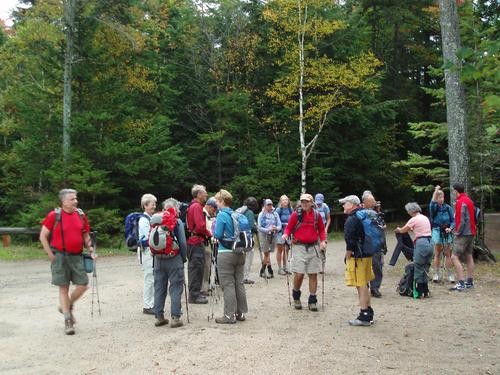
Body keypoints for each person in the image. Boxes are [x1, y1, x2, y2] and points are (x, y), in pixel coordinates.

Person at [39, 189, 96, 335]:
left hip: (77, 256)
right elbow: (43, 236)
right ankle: (67, 320)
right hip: (60, 256)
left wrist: (91, 249)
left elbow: (85, 235)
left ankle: (66, 306)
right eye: (72, 199)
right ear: (63, 201)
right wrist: (50, 254)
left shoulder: (81, 215)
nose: (75, 201)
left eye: (76, 198)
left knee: (83, 285)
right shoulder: (54, 215)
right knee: (63, 288)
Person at [282, 193, 326, 311]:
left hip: (313, 247)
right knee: (299, 274)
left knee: (313, 274)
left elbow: (321, 230)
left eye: (307, 201)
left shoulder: (317, 215)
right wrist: (285, 234)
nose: (304, 204)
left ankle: (312, 300)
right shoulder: (296, 214)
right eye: (302, 201)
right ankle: (296, 296)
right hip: (299, 246)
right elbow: (289, 228)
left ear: (312, 203)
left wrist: (323, 241)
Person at [213, 189, 249, 324]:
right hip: (240, 252)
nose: (216, 203)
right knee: (239, 283)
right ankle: (240, 313)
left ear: (222, 201)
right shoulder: (236, 214)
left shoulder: (222, 215)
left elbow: (217, 235)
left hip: (226, 253)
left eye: (217, 201)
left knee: (228, 284)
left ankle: (229, 315)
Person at [339, 194, 375, 326]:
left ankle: (364, 314)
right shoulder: (364, 215)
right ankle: (368, 311)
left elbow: (350, 240)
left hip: (357, 256)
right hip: (367, 253)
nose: (343, 205)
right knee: (365, 283)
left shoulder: (352, 219)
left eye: (345, 203)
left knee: (360, 284)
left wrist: (347, 256)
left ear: (352, 204)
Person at [153, 198, 187, 328]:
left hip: (158, 259)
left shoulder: (155, 220)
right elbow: (183, 243)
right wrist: (183, 258)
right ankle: (175, 317)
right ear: (176, 208)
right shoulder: (177, 221)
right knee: (176, 287)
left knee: (159, 287)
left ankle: (159, 317)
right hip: (174, 258)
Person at [395, 202, 433, 298]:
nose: (408, 213)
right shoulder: (425, 218)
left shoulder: (414, 219)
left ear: (411, 211)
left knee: (419, 266)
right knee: (426, 266)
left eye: (408, 211)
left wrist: (398, 229)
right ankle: (426, 290)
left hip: (421, 243)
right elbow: (421, 229)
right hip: (430, 242)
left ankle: (418, 291)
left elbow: (403, 230)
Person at [186, 184, 211, 304]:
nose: (206, 194)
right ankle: (194, 295)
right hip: (195, 242)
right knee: (196, 268)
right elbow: (200, 226)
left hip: (193, 241)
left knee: (195, 267)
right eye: (204, 192)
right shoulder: (196, 207)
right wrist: (210, 234)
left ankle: (195, 293)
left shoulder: (193, 206)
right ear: (199, 194)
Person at [449, 183, 476, 292]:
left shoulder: (460, 202)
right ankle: (469, 282)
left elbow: (461, 220)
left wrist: (457, 233)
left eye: (453, 191)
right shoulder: (469, 200)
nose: (453, 193)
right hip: (471, 232)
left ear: (456, 191)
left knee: (454, 257)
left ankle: (461, 283)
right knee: (469, 256)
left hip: (463, 234)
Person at [362, 190, 385, 298]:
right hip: (365, 243)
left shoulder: (377, 212)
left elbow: (383, 226)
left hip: (377, 244)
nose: (374, 203)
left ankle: (375, 288)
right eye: (372, 202)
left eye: (374, 201)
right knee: (365, 266)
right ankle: (365, 287)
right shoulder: (360, 213)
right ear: (365, 202)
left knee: (377, 266)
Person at [429, 185, 455, 283]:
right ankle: (436, 274)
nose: (441, 199)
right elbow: (432, 202)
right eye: (439, 197)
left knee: (447, 253)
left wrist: (450, 228)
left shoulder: (448, 208)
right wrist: (436, 191)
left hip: (447, 232)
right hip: (436, 231)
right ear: (436, 198)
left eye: (442, 197)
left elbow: (453, 220)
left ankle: (450, 274)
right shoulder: (433, 207)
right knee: (437, 253)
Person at [137, 193, 157, 315]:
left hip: (150, 252)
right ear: (145, 206)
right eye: (152, 204)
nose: (154, 206)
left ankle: (151, 304)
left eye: (155, 204)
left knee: (152, 278)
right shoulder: (143, 220)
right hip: (147, 252)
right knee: (149, 279)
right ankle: (147, 305)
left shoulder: (150, 219)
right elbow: (149, 237)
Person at [257, 199, 282, 278]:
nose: (270, 206)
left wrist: (276, 228)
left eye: (271, 204)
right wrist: (268, 230)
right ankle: (269, 271)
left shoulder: (275, 214)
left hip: (273, 236)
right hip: (264, 236)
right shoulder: (261, 214)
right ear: (264, 206)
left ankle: (262, 270)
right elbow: (259, 227)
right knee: (266, 253)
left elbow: (279, 225)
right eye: (268, 205)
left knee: (268, 253)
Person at [201, 197, 218, 295]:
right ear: (209, 206)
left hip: (207, 242)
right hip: (206, 242)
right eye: (214, 209)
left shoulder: (206, 214)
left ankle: (206, 286)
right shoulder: (204, 214)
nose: (214, 212)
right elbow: (206, 230)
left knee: (208, 265)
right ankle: (204, 288)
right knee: (206, 266)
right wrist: (212, 238)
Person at [241, 197, 259, 284]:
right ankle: (245, 277)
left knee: (242, 258)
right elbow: (251, 226)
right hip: (247, 239)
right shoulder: (250, 212)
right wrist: (256, 229)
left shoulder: (241, 210)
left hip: (239, 238)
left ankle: (240, 276)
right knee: (248, 257)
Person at [275, 195, 293, 275]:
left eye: (286, 200)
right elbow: (276, 221)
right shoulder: (278, 210)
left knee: (287, 249)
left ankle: (285, 267)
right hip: (280, 232)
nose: (285, 201)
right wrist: (284, 224)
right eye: (283, 200)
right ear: (280, 202)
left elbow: (293, 219)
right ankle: (280, 268)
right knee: (280, 250)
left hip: (288, 233)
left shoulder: (290, 209)